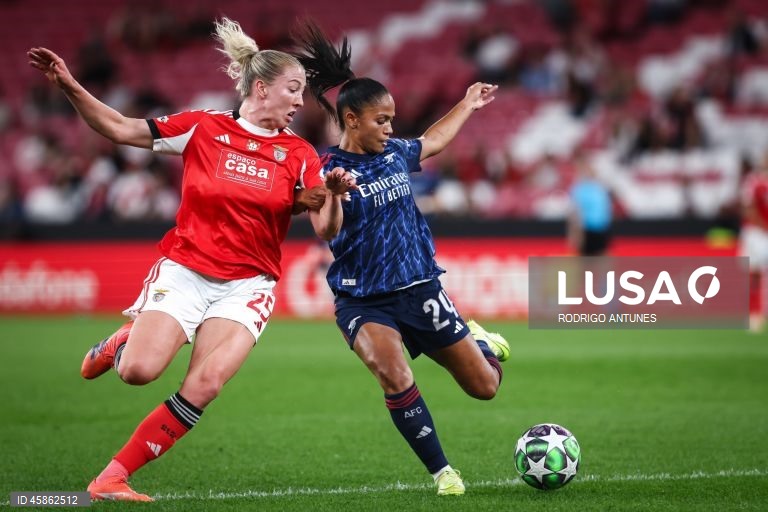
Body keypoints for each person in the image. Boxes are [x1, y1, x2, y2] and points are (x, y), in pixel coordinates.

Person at [27, 17, 356, 502]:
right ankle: (125, 343)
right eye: (293, 88)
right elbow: (119, 128)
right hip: (186, 271)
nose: (299, 101)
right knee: (139, 371)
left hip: (248, 285)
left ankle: (111, 478)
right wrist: (72, 86)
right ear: (261, 88)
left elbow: (327, 229)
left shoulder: (299, 153)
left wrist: (331, 194)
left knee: (206, 383)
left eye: (302, 92)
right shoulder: (204, 127)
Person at [292, 23, 510, 496]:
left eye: (391, 120)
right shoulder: (326, 170)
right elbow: (326, 231)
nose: (390, 129)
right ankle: (443, 473)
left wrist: (467, 105)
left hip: (421, 289)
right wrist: (330, 195)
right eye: (381, 121)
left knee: (485, 387)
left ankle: (480, 340)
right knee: (393, 374)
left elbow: (430, 142)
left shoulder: (393, 153)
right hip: (364, 300)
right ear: (351, 120)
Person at [739, 157, 768, 332]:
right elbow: (748, 208)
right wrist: (764, 227)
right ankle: (752, 314)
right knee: (754, 274)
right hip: (756, 234)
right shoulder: (754, 181)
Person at [567, 151, 612, 256]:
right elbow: (575, 213)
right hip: (586, 230)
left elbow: (605, 210)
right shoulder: (579, 189)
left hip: (602, 229)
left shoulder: (600, 187)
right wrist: (575, 233)